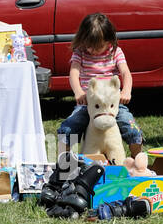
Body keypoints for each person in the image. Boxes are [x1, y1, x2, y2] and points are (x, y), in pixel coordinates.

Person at [56, 13, 143, 159]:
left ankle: (138, 163)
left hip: (112, 105)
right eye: (89, 46)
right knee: (68, 128)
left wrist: (126, 90)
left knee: (131, 128)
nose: (93, 50)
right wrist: (78, 92)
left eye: (99, 46)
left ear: (109, 40)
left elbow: (126, 73)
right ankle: (63, 166)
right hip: (88, 104)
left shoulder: (115, 52)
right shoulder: (80, 53)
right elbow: (73, 73)